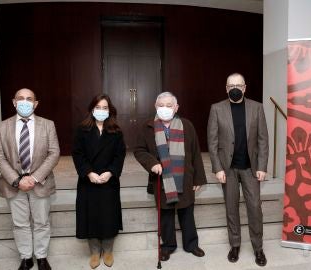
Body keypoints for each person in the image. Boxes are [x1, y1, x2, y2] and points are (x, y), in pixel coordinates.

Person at [134, 92, 207, 262]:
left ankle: (191, 244)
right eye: (161, 105)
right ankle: (167, 246)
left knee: (187, 212)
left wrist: (198, 178)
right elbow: (139, 150)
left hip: (184, 178)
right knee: (166, 215)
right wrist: (152, 163)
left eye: (169, 105)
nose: (165, 109)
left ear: (176, 108)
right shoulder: (147, 127)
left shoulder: (187, 125)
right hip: (161, 179)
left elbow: (196, 153)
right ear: (155, 106)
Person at [207, 73, 269, 266]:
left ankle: (258, 248)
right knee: (231, 208)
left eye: (238, 85)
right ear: (226, 88)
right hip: (228, 169)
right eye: (231, 85)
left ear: (244, 87)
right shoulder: (216, 109)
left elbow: (263, 140)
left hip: (251, 169)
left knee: (255, 208)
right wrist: (217, 168)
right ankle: (235, 245)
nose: (235, 88)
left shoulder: (257, 108)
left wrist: (262, 166)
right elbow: (212, 141)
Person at [0, 88, 60, 270]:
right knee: (20, 223)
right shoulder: (2, 126)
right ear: (14, 102)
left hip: (40, 182)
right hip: (13, 184)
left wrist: (35, 177)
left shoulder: (48, 124)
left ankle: (41, 256)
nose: (25, 102)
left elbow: (54, 153)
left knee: (41, 222)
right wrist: (17, 180)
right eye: (20, 98)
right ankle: (26, 257)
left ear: (36, 103)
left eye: (29, 99)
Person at [72, 94, 126, 269]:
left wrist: (111, 172)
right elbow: (77, 154)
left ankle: (108, 250)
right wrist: (88, 172)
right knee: (90, 216)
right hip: (88, 182)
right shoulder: (82, 130)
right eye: (98, 107)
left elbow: (120, 155)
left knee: (109, 216)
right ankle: (94, 252)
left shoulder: (116, 131)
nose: (101, 111)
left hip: (108, 182)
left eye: (105, 108)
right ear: (91, 109)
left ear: (109, 110)